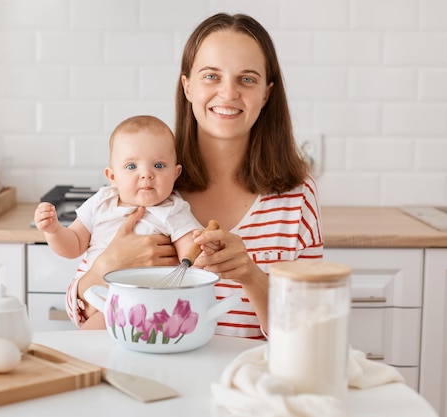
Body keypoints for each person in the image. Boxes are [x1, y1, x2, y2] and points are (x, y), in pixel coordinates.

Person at [65, 13, 324, 339]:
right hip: (152, 382)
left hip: (247, 384)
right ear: (187, 86)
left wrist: (252, 276)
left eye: (247, 79)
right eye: (211, 76)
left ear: (266, 94)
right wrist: (106, 266)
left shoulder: (296, 197)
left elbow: (309, 332)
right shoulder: (149, 180)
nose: (228, 93)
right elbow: (81, 315)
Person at [34, 115, 208, 329]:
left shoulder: (173, 210)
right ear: (112, 176)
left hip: (147, 304)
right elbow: (73, 245)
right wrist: (53, 231)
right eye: (132, 166)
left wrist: (203, 247)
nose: (146, 174)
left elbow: (191, 256)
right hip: (98, 298)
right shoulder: (101, 202)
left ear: (175, 173)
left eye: (159, 165)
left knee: (100, 336)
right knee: (92, 338)